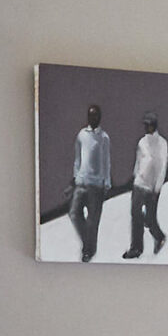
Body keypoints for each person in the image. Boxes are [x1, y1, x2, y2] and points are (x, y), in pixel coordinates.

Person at [123, 112, 168, 259]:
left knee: (150, 218)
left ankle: (159, 237)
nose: (147, 127)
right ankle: (136, 248)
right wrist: (135, 176)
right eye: (145, 125)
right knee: (135, 214)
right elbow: (138, 161)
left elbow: (162, 166)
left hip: (152, 187)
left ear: (154, 125)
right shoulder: (142, 142)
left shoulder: (162, 143)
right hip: (139, 184)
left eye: (149, 125)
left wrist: (157, 188)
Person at [69, 103, 111, 262]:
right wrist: (75, 177)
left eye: (96, 115)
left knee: (93, 220)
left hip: (96, 185)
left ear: (100, 117)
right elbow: (77, 158)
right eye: (91, 115)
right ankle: (89, 243)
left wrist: (107, 182)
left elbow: (106, 161)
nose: (93, 118)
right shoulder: (81, 135)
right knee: (74, 213)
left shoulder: (104, 137)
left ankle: (88, 251)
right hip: (81, 182)